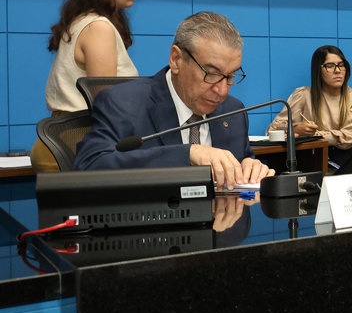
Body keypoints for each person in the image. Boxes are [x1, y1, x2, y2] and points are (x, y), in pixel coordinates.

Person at [73, 11, 274, 188]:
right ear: (176, 59)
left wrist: (251, 167)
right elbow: (90, 166)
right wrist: (187, 154)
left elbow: (242, 164)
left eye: (230, 76)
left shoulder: (233, 111)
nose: (222, 91)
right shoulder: (122, 103)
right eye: (211, 73)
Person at [32, 0, 141, 172]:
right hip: (76, 146)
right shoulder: (98, 27)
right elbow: (105, 104)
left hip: (69, 142)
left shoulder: (84, 21)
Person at [268, 45, 352, 172]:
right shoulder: (303, 95)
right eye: (330, 66)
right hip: (314, 156)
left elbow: (347, 138)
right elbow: (272, 130)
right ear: (318, 70)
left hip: (349, 156)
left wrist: (310, 136)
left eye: (341, 65)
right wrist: (295, 129)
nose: (337, 70)